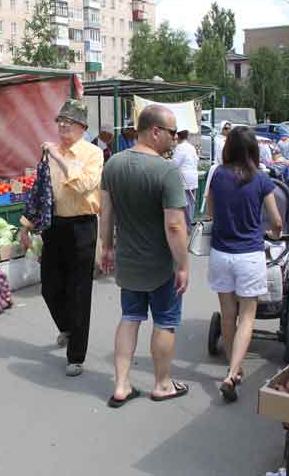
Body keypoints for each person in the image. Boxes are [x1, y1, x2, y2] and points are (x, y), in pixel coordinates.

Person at [99, 104, 190, 408]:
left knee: (129, 318)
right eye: (172, 132)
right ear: (154, 131)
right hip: (161, 265)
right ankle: (162, 384)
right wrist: (183, 265)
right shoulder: (166, 171)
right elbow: (175, 225)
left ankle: (122, 385)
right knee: (164, 322)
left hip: (129, 262)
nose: (175, 139)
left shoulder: (112, 165)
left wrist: (107, 246)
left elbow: (106, 211)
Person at [19, 99, 103, 377]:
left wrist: (59, 158)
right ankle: (68, 327)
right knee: (50, 286)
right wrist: (25, 225)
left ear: (83, 127)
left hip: (82, 226)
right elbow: (40, 192)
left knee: (79, 291)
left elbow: (83, 186)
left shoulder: (92, 154)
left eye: (70, 123)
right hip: (54, 226)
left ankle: (76, 355)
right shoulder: (50, 155)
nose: (63, 127)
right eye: (60, 122)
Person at [207, 126, 282, 402]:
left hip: (221, 253)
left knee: (228, 315)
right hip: (249, 255)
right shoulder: (261, 179)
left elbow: (210, 213)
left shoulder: (217, 174)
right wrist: (273, 234)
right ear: (253, 150)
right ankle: (232, 373)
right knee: (247, 316)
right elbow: (276, 221)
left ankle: (232, 367)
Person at [172, 130, 199, 230]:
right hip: (193, 178)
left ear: (178, 136)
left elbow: (174, 164)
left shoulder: (180, 147)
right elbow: (196, 160)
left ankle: (186, 227)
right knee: (190, 204)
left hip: (184, 179)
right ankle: (189, 225)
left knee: (185, 204)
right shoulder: (191, 147)